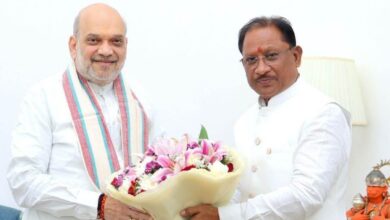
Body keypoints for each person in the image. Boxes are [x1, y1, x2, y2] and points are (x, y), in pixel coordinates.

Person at [181, 16, 351, 220]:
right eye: (251, 60)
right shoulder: (245, 121)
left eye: (271, 56)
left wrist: (223, 215)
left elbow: (306, 196)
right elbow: (239, 190)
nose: (261, 69)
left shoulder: (323, 112)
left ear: (296, 56)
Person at [7, 3, 154, 220]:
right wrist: (97, 206)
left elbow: (160, 170)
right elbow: (23, 181)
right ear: (73, 45)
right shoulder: (43, 97)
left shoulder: (141, 98)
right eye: (94, 40)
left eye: (116, 41)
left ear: (126, 45)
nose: (106, 50)